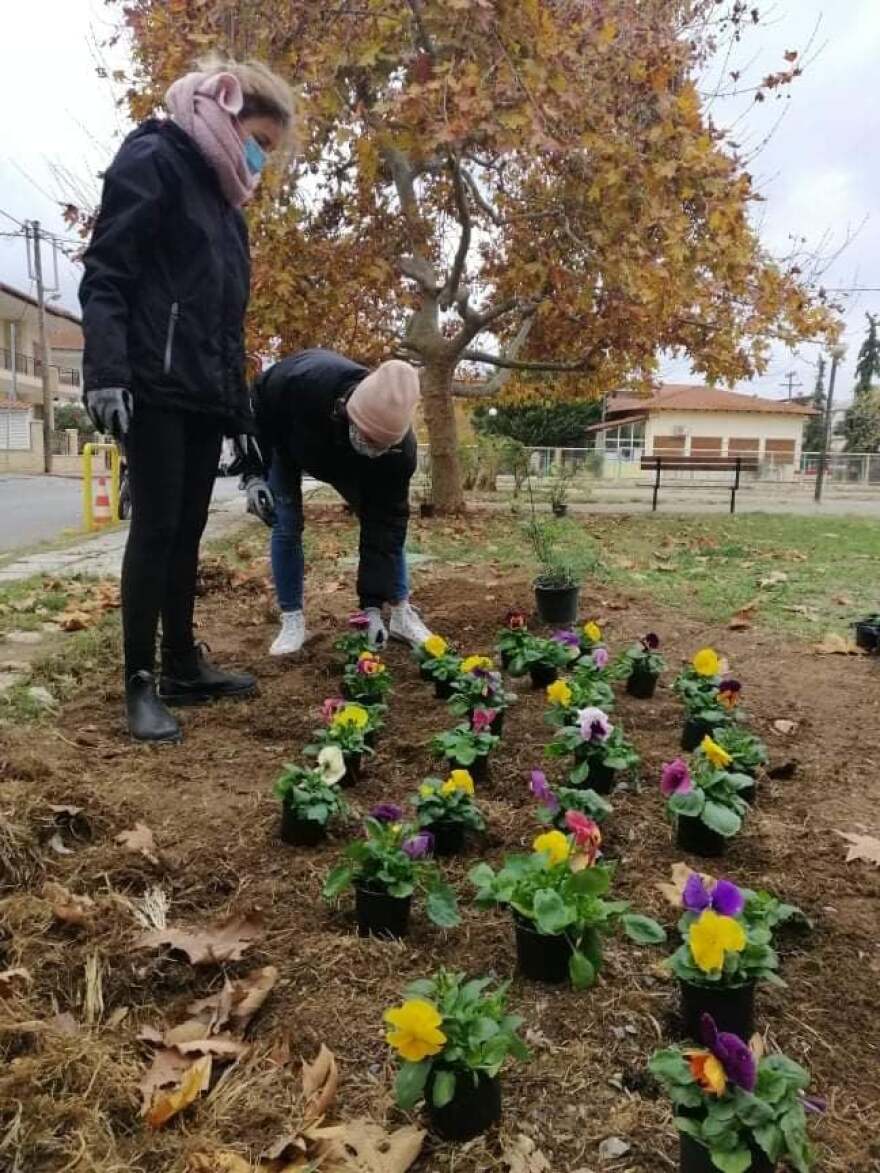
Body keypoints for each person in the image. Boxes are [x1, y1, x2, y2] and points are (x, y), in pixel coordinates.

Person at [79, 56, 295, 744]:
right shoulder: (155, 158)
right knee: (157, 528)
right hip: (151, 384)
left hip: (202, 392)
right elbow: (107, 271)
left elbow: (227, 327)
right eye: (262, 136)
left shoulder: (228, 207)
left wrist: (245, 426)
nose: (263, 156)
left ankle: (181, 662)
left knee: (190, 528)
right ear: (228, 113)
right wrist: (106, 372)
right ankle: (139, 681)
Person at [245, 349, 434, 654]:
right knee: (287, 525)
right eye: (368, 438)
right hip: (287, 442)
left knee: (383, 525)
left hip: (346, 464)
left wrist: (371, 609)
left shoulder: (398, 454)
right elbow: (256, 405)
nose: (373, 448)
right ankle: (292, 618)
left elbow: (387, 527)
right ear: (348, 411)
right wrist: (253, 473)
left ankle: (399, 613)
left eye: (380, 445)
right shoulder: (304, 381)